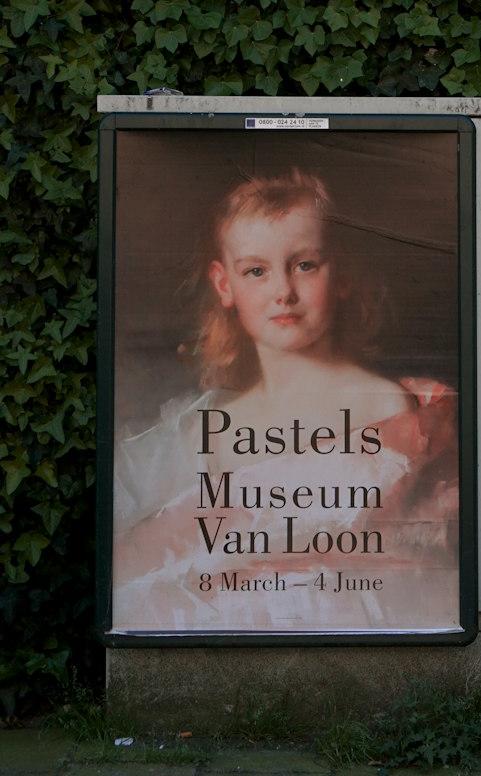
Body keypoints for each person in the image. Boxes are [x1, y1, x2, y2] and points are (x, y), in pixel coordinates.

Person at [113, 168, 460, 634]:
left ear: (342, 273)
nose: (283, 292)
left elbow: (389, 557)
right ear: (224, 285)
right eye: (256, 271)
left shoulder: (383, 406)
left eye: (304, 265)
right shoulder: (210, 420)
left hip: (345, 621)